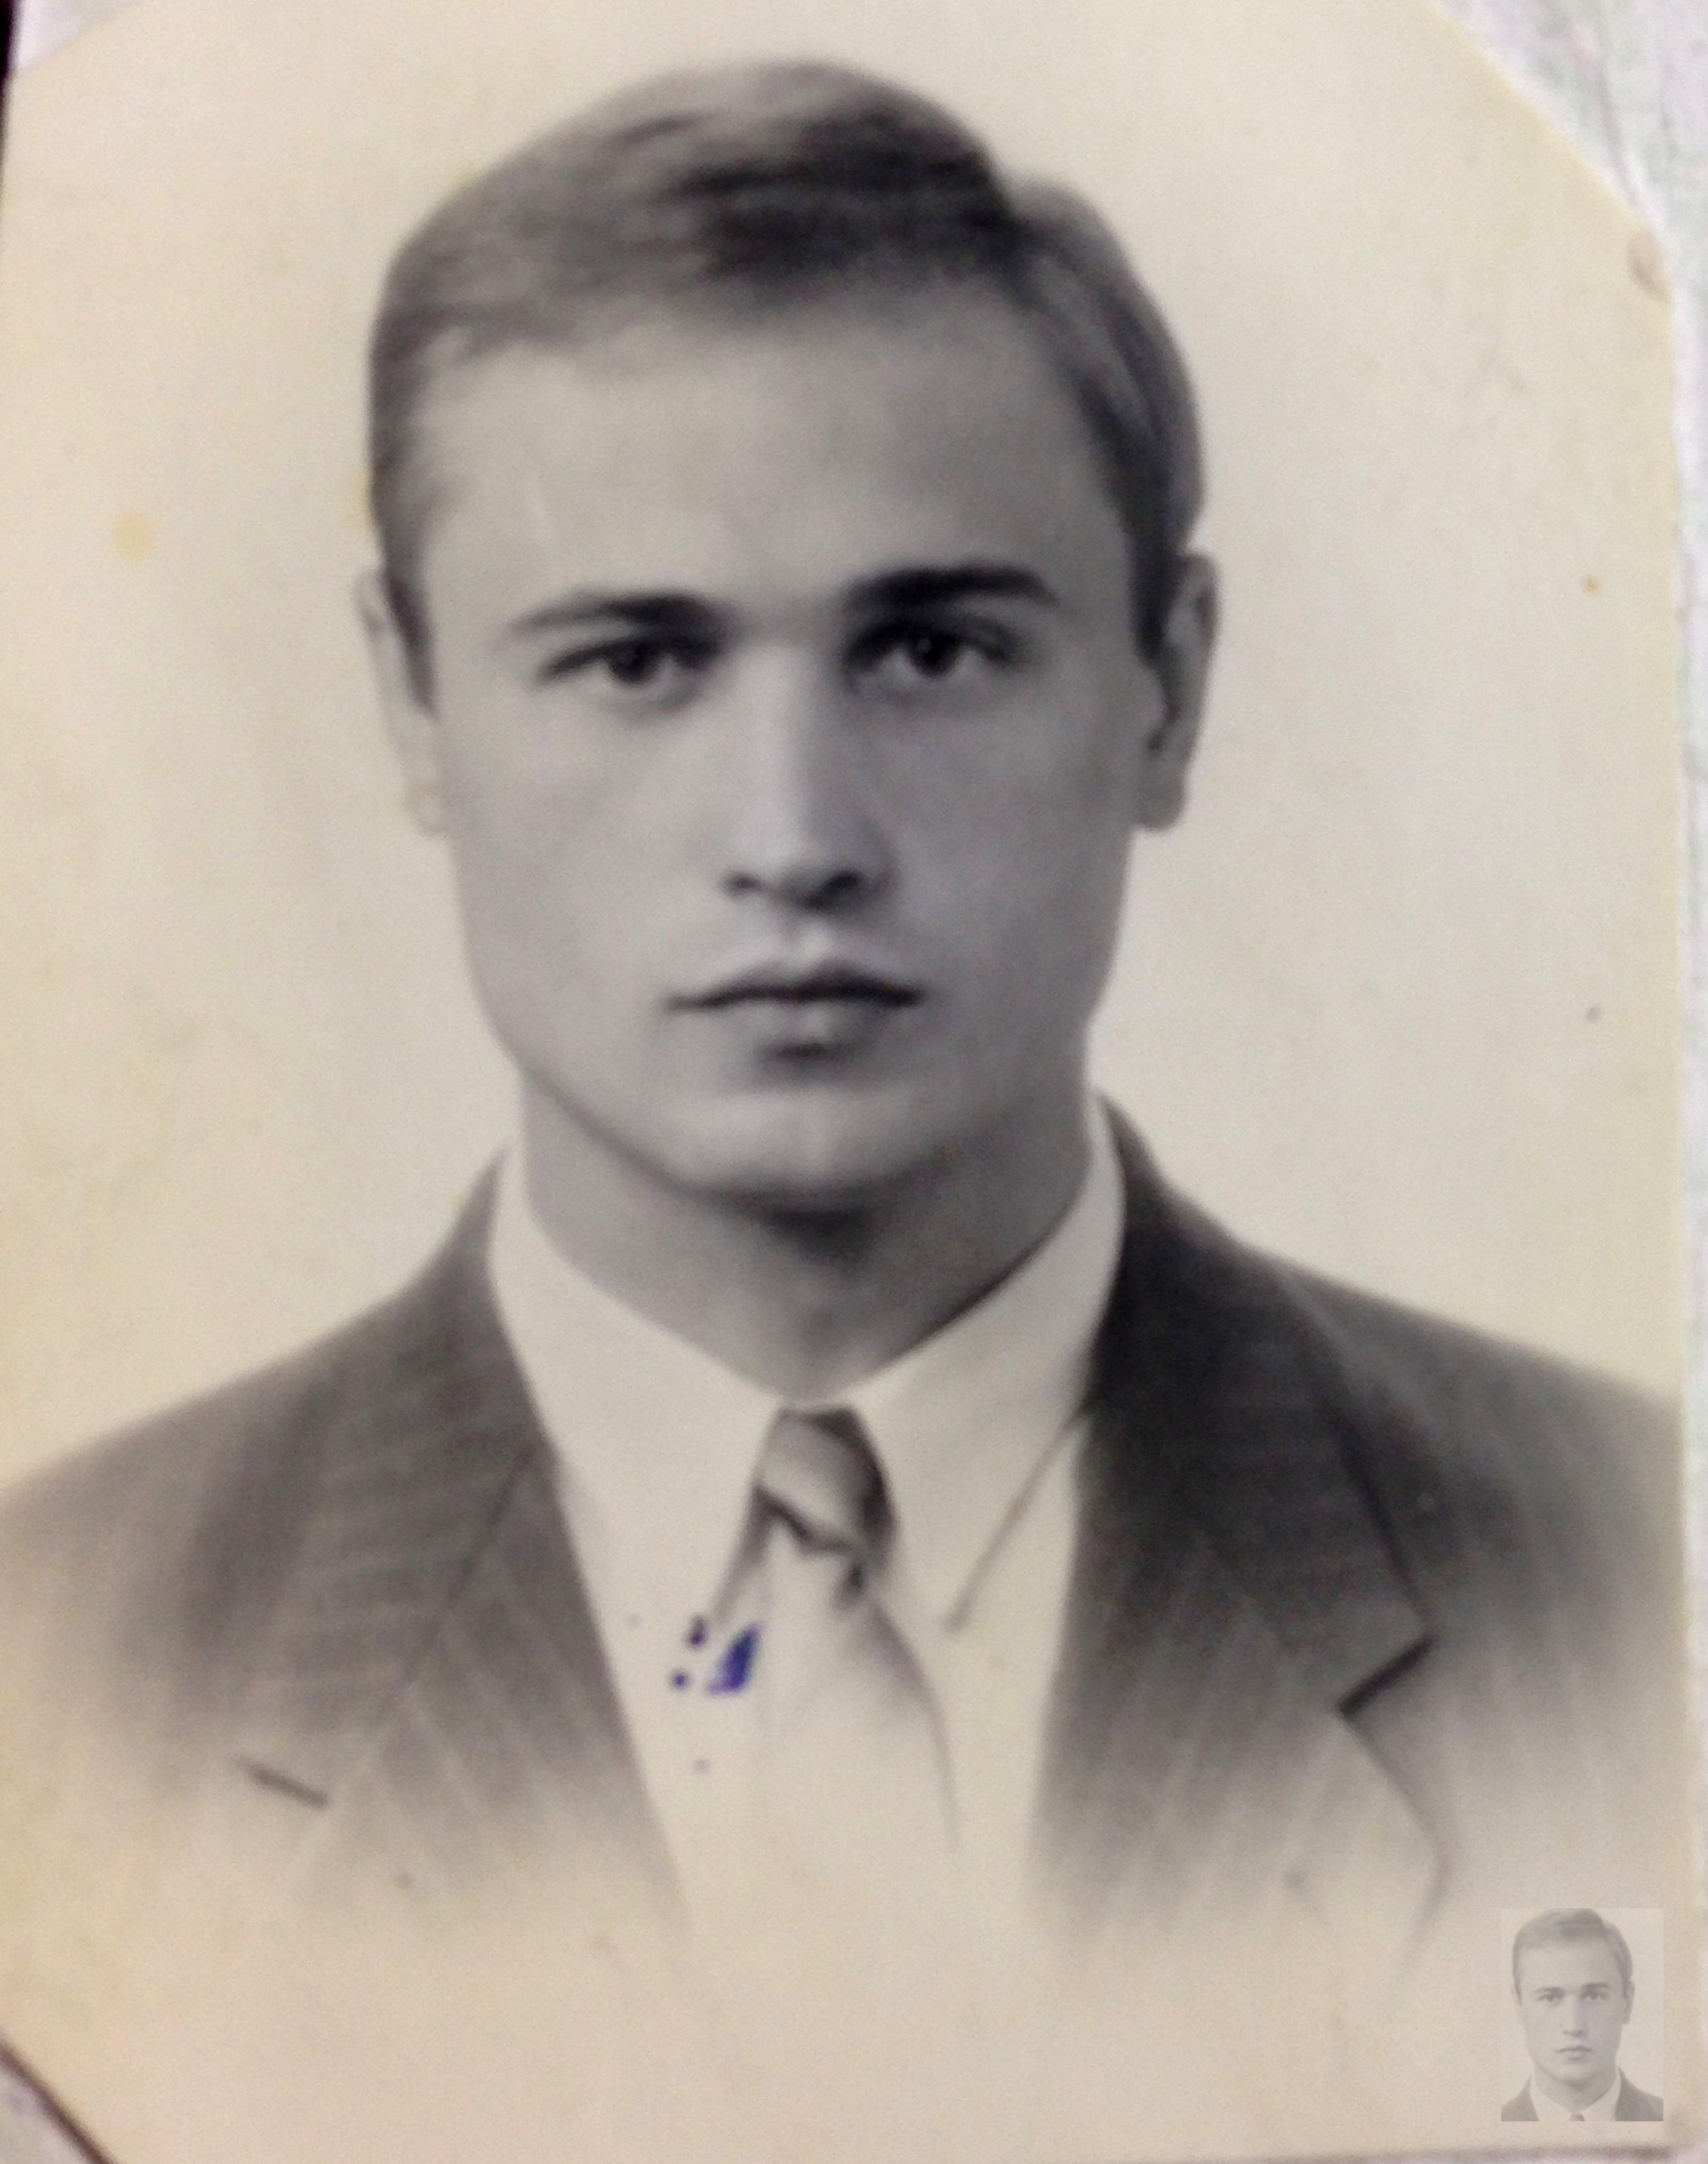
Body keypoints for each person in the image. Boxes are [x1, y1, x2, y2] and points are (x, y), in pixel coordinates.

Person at [0, 58, 1690, 2164]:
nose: (794, 840)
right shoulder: (60, 1642)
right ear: (410, 704)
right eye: (635, 662)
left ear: (1169, 684)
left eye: (931, 650)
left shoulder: (1627, 1575)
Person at [1502, 1911, 1664, 2123]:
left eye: (1594, 1996)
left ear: (1628, 2002)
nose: (1574, 2026)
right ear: (1519, 2004)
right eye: (1550, 1998)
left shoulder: (1680, 2123)